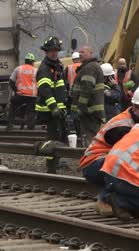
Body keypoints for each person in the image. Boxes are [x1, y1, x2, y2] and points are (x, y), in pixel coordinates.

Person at [80, 85, 139, 215]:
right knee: (131, 164)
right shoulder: (122, 126)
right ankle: (105, 199)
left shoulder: (138, 121)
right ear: (135, 107)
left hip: (103, 162)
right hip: (94, 164)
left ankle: (130, 203)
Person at [36, 36, 68, 173]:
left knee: (61, 136)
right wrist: (53, 106)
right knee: (52, 139)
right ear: (46, 51)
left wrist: (63, 106)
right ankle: (51, 167)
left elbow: (60, 88)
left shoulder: (58, 65)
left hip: (58, 110)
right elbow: (45, 90)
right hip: (49, 111)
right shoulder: (44, 68)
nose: (54, 53)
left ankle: (57, 161)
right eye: (51, 50)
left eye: (56, 50)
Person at [71, 46, 105, 147]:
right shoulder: (88, 67)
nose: (80, 54)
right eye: (79, 52)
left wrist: (80, 107)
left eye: (83, 52)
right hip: (91, 111)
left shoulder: (90, 67)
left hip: (89, 111)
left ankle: (90, 159)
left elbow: (86, 88)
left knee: (89, 137)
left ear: (91, 53)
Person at [7, 53, 37, 130]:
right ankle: (30, 126)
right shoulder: (35, 70)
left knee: (12, 104)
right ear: (32, 62)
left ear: (25, 61)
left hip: (20, 95)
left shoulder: (18, 69)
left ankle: (10, 123)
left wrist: (16, 90)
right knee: (32, 110)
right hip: (32, 96)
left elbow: (11, 81)